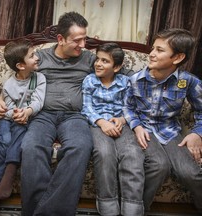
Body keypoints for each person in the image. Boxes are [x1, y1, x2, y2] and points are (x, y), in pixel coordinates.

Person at [0, 11, 96, 216]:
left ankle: (47, 212)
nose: (83, 45)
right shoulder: (40, 57)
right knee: (31, 147)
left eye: (85, 38)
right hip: (42, 115)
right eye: (77, 40)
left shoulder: (89, 59)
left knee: (81, 146)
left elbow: (119, 71)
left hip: (74, 116)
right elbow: (16, 78)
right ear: (60, 39)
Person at [123, 28, 202, 214]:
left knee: (190, 173)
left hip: (171, 130)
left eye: (159, 50)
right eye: (153, 48)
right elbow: (127, 107)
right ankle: (139, 209)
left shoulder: (188, 82)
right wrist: (136, 126)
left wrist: (197, 133)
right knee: (159, 166)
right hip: (145, 130)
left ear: (177, 57)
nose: (151, 54)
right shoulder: (135, 80)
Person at [82, 43, 145, 216]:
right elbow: (87, 108)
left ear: (117, 67)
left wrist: (122, 119)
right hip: (98, 124)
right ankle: (107, 205)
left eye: (105, 61)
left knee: (132, 153)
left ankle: (131, 208)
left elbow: (131, 107)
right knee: (104, 152)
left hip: (120, 123)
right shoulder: (89, 81)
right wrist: (102, 122)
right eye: (97, 59)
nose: (98, 64)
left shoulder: (125, 82)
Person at [0, 41, 46, 215]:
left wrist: (26, 112)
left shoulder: (39, 78)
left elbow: (38, 101)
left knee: (19, 137)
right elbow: (7, 107)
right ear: (20, 65)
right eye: (32, 56)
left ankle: (9, 174)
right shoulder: (9, 84)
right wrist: (15, 114)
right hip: (9, 118)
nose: (37, 58)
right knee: (2, 143)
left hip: (27, 119)